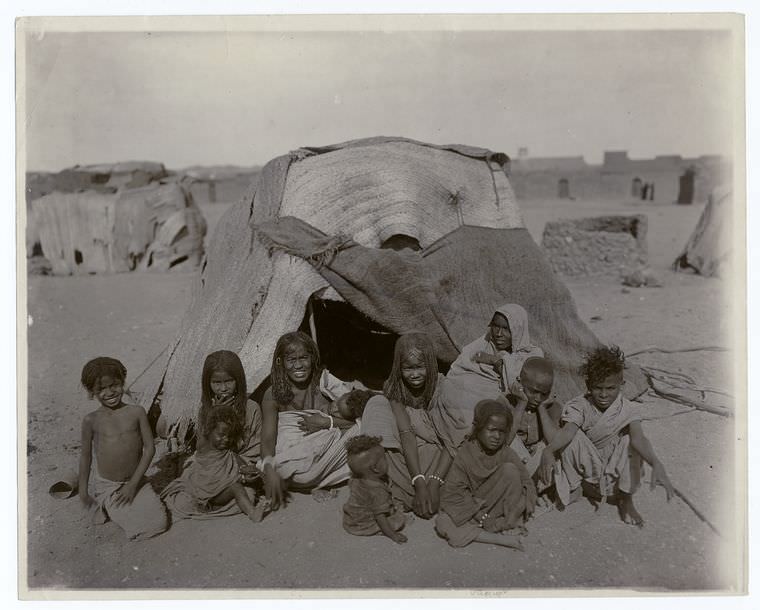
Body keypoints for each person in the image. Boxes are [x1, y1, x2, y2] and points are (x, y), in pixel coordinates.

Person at [538, 346, 674, 526]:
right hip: (586, 472)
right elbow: (568, 431)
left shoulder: (628, 409)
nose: (603, 395)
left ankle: (626, 499)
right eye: (597, 388)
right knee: (572, 437)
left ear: (621, 386)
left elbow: (638, 438)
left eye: (610, 388)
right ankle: (575, 488)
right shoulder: (580, 405)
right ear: (588, 385)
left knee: (629, 442)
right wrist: (549, 450)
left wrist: (655, 462)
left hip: (611, 479)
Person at [259, 331, 359, 509]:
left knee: (368, 427)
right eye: (291, 360)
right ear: (281, 363)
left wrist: (326, 422)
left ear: (313, 358)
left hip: (326, 454)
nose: (299, 365)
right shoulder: (272, 394)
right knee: (285, 469)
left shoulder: (324, 382)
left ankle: (314, 481)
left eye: (304, 358)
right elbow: (268, 437)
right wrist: (268, 466)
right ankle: (320, 480)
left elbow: (358, 417)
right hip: (295, 460)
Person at [431, 303, 543, 455]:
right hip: (464, 401)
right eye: (495, 326)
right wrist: (494, 360)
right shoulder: (483, 343)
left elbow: (521, 386)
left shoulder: (531, 355)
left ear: (517, 330)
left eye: (506, 329)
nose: (498, 333)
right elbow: (463, 365)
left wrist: (501, 361)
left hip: (500, 407)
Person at [361, 333, 451, 518]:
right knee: (376, 404)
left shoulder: (444, 387)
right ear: (398, 366)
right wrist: (418, 482)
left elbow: (451, 440)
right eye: (408, 368)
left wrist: (433, 483)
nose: (414, 374)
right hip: (409, 450)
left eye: (420, 367)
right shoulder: (394, 386)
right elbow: (406, 432)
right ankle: (414, 489)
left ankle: (419, 491)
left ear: (431, 364)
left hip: (441, 450)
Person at [78, 357, 168, 540]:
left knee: (160, 523)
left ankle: (115, 506)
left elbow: (150, 449)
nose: (110, 392)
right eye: (101, 389)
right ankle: (107, 503)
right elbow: (86, 457)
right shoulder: (91, 420)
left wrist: (133, 485)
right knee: (136, 524)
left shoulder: (137, 412)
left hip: (137, 481)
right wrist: (82, 491)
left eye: (114, 385)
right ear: (91, 392)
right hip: (109, 485)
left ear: (122, 383)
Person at [435, 400, 536, 549]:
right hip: (473, 511)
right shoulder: (465, 454)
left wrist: (518, 510)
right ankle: (499, 539)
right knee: (443, 522)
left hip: (501, 509)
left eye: (502, 432)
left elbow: (526, 481)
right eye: (491, 430)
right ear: (478, 428)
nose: (497, 436)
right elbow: (455, 494)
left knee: (511, 471)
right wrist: (482, 518)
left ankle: (507, 523)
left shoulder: (506, 451)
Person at [161, 405, 266, 521]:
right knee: (237, 488)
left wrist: (248, 472)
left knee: (251, 486)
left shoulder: (230, 455)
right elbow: (212, 480)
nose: (226, 439)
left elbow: (242, 468)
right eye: (221, 435)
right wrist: (241, 479)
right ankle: (252, 513)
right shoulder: (204, 450)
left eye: (230, 436)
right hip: (210, 495)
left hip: (222, 493)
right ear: (209, 432)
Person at [196, 350, 263, 468]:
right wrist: (215, 416)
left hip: (243, 465)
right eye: (216, 382)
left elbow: (256, 449)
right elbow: (201, 449)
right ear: (208, 383)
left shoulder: (251, 408)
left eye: (228, 381)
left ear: (238, 380)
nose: (223, 388)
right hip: (212, 465)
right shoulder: (205, 410)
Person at [342, 435, 407, 544]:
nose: (387, 460)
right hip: (365, 524)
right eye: (384, 458)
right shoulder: (378, 491)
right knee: (399, 519)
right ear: (375, 468)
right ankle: (379, 531)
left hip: (351, 520)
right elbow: (380, 517)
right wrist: (393, 535)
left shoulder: (356, 478)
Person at [505, 357, 563, 478]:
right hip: (512, 462)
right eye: (533, 391)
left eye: (544, 393)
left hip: (537, 463)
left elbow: (554, 442)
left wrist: (542, 407)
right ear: (520, 383)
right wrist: (521, 403)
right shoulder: (505, 402)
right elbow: (505, 441)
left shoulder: (552, 407)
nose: (538, 398)